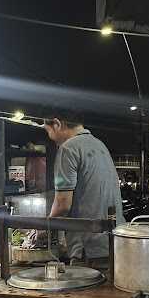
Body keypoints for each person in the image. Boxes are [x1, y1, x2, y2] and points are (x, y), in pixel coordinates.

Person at [44, 111, 124, 268]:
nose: (50, 137)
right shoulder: (99, 144)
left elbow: (62, 204)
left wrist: (45, 226)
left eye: (48, 131)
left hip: (89, 248)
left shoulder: (68, 149)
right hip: (116, 242)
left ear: (57, 124)